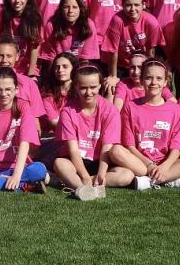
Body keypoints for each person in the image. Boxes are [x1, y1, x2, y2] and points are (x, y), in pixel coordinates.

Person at [110, 59, 180, 189]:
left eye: (159, 78)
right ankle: (171, 179)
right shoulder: (130, 107)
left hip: (167, 163)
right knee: (116, 151)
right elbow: (130, 146)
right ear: (142, 80)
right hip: (140, 163)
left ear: (165, 82)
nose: (154, 82)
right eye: (149, 78)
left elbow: (176, 148)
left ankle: (150, 181)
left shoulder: (175, 109)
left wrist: (164, 167)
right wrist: (150, 165)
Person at [52, 64, 133, 199]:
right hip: (76, 160)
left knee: (127, 175)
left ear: (100, 85)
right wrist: (83, 174)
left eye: (93, 87)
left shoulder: (110, 110)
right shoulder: (68, 111)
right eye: (83, 88)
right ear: (76, 86)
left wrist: (101, 174)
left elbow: (107, 147)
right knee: (59, 163)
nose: (88, 92)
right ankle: (81, 188)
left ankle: (77, 183)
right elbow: (72, 149)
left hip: (100, 161)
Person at [0, 67, 48, 192]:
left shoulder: (23, 106)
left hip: (16, 165)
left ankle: (3, 182)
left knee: (39, 169)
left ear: (16, 90)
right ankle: (23, 186)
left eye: (8, 89)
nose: (3, 94)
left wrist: (16, 175)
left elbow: (25, 142)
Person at [101, 0, 165, 96]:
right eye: (128, 5)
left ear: (143, 5)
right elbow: (113, 50)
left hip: (140, 64)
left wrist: (149, 72)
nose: (132, 9)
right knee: (111, 90)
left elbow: (151, 51)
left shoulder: (151, 22)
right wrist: (113, 75)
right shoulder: (117, 20)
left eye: (136, 5)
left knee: (146, 91)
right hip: (120, 63)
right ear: (122, 5)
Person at [37, 0, 99, 72]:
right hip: (58, 69)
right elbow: (51, 57)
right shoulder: (51, 26)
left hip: (80, 68)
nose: (70, 11)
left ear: (81, 9)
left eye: (74, 7)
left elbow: (85, 58)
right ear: (61, 9)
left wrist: (78, 76)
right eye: (66, 7)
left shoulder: (88, 25)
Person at [0, 0, 42, 77]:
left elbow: (35, 48)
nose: (17, 0)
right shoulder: (2, 14)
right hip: (5, 67)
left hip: (26, 68)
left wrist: (31, 73)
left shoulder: (34, 17)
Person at [39, 51, 77, 135]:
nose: (60, 70)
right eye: (57, 67)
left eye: (65, 67)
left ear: (74, 68)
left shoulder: (80, 93)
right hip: (52, 136)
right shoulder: (47, 95)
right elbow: (54, 123)